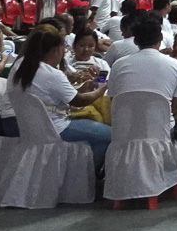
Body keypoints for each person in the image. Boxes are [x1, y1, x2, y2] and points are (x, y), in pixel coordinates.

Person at [11, 29, 109, 167]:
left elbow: (61, 95)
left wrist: (83, 88)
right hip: (57, 127)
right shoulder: (51, 74)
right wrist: (101, 89)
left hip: (31, 126)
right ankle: (90, 174)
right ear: (56, 49)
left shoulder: (20, 64)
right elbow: (79, 101)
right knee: (108, 135)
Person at [107, 18, 177, 130]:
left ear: (135, 41)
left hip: (125, 130)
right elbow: (175, 109)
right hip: (162, 131)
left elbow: (114, 102)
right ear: (161, 37)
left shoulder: (118, 65)